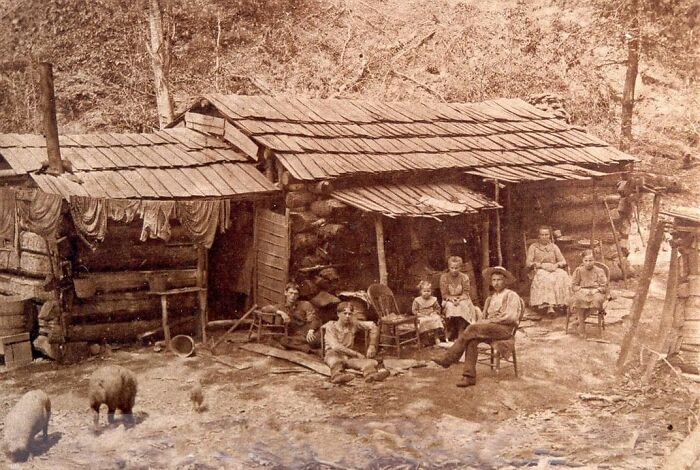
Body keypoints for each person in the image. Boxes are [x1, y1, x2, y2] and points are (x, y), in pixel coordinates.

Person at [433, 266, 522, 387]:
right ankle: (469, 377)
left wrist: (490, 321)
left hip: (504, 329)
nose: (496, 283)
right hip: (491, 329)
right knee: (472, 339)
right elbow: (484, 318)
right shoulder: (491, 298)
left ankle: (448, 359)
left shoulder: (511, 295)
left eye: (499, 279)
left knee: (472, 328)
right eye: (494, 280)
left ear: (505, 280)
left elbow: (510, 318)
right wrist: (485, 322)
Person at [323, 302, 389, 384]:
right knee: (336, 361)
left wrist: (372, 345)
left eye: (350, 314)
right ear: (338, 314)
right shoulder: (331, 326)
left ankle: (371, 375)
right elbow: (336, 346)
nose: (347, 316)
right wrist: (356, 354)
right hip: (334, 354)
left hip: (349, 356)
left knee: (368, 363)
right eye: (345, 313)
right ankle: (337, 376)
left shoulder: (353, 324)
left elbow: (373, 325)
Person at [260, 282, 321, 353]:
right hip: (294, 335)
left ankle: (304, 346)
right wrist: (280, 312)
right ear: (285, 293)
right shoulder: (281, 306)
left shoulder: (305, 304)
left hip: (307, 332)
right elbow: (264, 309)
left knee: (314, 340)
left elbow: (313, 317)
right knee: (283, 340)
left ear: (298, 295)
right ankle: (307, 349)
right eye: (290, 293)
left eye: (295, 294)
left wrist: (311, 330)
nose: (292, 296)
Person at [526, 226, 571, 315]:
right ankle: (550, 306)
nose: (544, 237)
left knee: (563, 275)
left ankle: (565, 303)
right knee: (547, 278)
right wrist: (541, 265)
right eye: (542, 235)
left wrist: (556, 265)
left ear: (550, 236)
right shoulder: (533, 247)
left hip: (554, 268)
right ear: (539, 236)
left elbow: (563, 261)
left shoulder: (554, 247)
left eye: (546, 235)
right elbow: (528, 263)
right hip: (539, 269)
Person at [440, 256, 480, 340]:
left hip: (463, 298)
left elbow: (466, 292)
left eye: (456, 268)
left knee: (462, 305)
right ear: (449, 267)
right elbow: (444, 294)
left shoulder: (464, 277)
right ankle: (451, 329)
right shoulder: (444, 277)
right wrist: (451, 299)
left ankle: (461, 329)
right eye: (452, 268)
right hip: (449, 299)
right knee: (450, 306)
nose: (454, 270)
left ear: (460, 268)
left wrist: (459, 299)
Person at [569, 250, 608, 337]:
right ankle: (582, 326)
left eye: (591, 260)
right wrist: (581, 290)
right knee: (579, 300)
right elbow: (574, 285)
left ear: (594, 260)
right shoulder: (579, 270)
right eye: (586, 261)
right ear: (582, 261)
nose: (588, 263)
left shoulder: (599, 271)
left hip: (596, 291)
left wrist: (596, 290)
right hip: (582, 290)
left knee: (596, 301)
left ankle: (578, 322)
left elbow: (604, 286)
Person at [412, 280, 445, 345]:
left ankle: (436, 336)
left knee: (436, 319)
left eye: (428, 291)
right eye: (424, 291)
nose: (426, 293)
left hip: (431, 314)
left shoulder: (433, 299)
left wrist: (435, 312)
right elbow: (414, 310)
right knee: (423, 321)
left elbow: (438, 308)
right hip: (422, 315)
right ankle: (425, 337)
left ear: (431, 291)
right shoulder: (417, 300)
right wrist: (419, 314)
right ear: (421, 292)